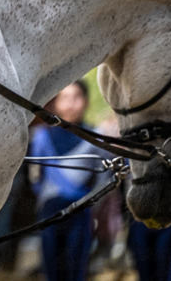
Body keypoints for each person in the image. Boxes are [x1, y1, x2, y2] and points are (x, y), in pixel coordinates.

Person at [29, 80, 108, 281]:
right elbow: (35, 176)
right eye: (64, 98)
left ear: (87, 102)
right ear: (55, 104)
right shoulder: (40, 137)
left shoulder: (96, 137)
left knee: (76, 269)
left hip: (81, 212)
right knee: (50, 270)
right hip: (48, 212)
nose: (71, 104)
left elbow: (104, 176)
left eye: (76, 97)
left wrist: (91, 201)